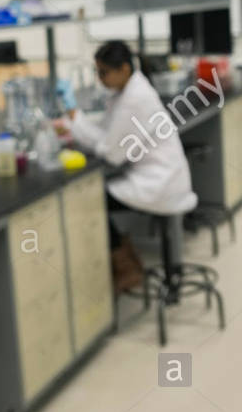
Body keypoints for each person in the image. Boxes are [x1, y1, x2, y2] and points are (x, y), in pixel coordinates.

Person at [59, 40, 196, 291]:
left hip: (159, 183)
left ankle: (125, 266)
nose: (100, 79)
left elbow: (111, 153)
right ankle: (128, 256)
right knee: (98, 194)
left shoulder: (135, 99)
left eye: (104, 72)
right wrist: (73, 124)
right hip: (159, 177)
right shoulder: (129, 91)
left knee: (92, 199)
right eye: (97, 72)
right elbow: (107, 135)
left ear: (123, 69)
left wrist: (74, 119)